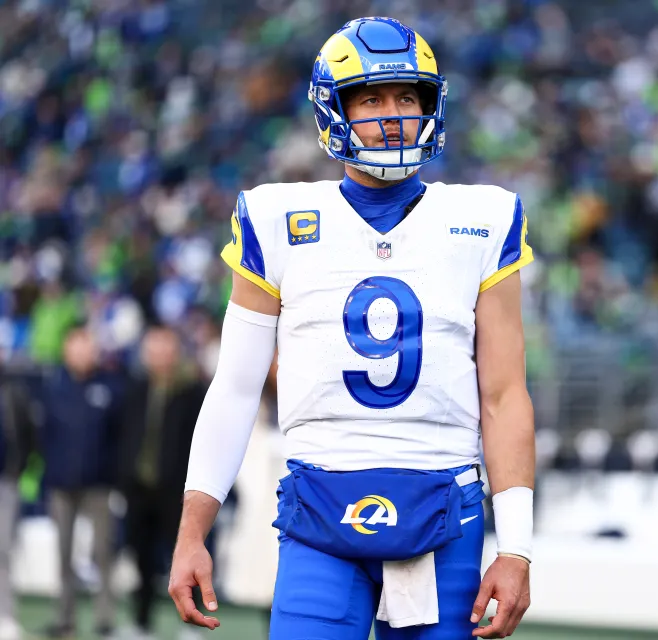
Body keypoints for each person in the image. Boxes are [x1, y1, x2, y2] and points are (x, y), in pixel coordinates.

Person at [169, 16, 535, 639]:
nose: (393, 115)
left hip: (444, 506)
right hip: (320, 506)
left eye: (407, 97)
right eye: (371, 98)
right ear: (334, 111)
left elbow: (503, 396)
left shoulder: (483, 217)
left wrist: (518, 545)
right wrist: (192, 530)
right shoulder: (277, 217)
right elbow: (234, 387)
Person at [119, 326, 207, 637]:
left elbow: (202, 440)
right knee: (140, 558)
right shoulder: (134, 388)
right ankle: (141, 622)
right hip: (140, 489)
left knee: (185, 554)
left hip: (177, 491)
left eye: (164, 349)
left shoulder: (191, 391)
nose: (158, 356)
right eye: (153, 349)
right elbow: (123, 435)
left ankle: (193, 625)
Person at [38, 325, 122, 638]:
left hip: (99, 484)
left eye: (87, 345)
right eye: (75, 346)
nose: (82, 352)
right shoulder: (54, 388)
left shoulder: (110, 388)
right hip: (61, 483)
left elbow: (118, 436)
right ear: (65, 350)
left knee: (103, 552)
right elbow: (43, 436)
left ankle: (105, 618)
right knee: (63, 554)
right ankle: (65, 618)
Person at [0, 365, 37, 640]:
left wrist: (19, 469)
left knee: (3, 550)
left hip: (6, 481)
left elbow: (27, 434)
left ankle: (5, 615)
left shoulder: (13, 392)